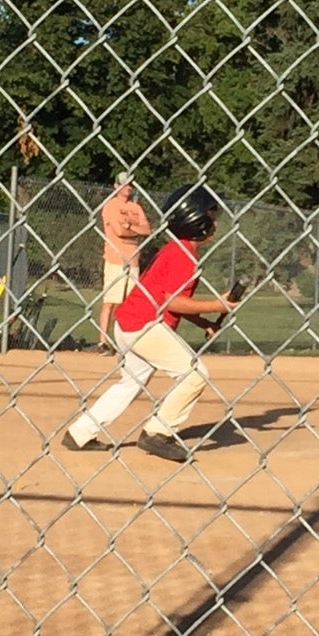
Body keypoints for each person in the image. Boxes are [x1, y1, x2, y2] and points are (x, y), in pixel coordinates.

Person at [64, 185, 235, 464]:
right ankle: (158, 432)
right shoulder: (183, 254)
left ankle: (80, 432)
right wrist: (218, 306)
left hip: (130, 324)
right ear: (196, 221)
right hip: (145, 326)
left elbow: (170, 298)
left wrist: (203, 320)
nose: (215, 223)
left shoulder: (175, 249)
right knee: (195, 374)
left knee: (130, 383)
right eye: (211, 216)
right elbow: (172, 302)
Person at [99, 172, 153, 353]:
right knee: (110, 302)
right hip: (115, 259)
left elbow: (148, 230)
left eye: (130, 184)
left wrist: (130, 227)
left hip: (133, 260)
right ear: (116, 186)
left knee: (130, 303)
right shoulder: (111, 206)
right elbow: (118, 231)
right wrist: (133, 230)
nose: (127, 187)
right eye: (123, 184)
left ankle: (126, 342)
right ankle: (102, 341)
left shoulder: (136, 207)